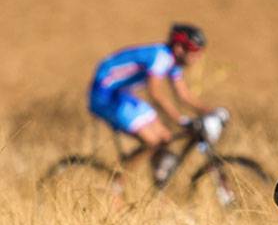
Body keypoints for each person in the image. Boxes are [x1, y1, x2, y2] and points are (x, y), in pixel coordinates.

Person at [88, 23, 221, 189]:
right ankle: (116, 185)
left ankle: (158, 191)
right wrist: (180, 119)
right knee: (152, 141)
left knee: (165, 138)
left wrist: (211, 113)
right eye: (195, 52)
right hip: (103, 95)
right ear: (179, 48)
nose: (199, 57)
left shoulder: (173, 62)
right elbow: (155, 93)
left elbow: (183, 94)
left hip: (120, 94)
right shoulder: (160, 57)